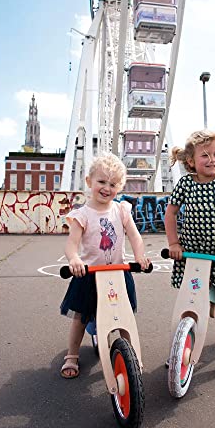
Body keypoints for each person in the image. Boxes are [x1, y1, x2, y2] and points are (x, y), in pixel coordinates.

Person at [164, 129, 215, 381]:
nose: (212, 160)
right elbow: (171, 213)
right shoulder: (186, 183)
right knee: (189, 303)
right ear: (191, 161)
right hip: (192, 256)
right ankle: (181, 349)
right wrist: (174, 243)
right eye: (205, 155)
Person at [59, 153, 150, 378]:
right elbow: (71, 244)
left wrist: (140, 256)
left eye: (113, 184)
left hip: (118, 273)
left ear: (119, 187)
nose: (107, 188)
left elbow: (135, 236)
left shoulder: (121, 210)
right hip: (89, 274)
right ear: (89, 181)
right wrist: (74, 259)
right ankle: (72, 355)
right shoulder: (82, 215)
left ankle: (133, 356)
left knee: (125, 316)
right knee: (80, 317)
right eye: (101, 181)